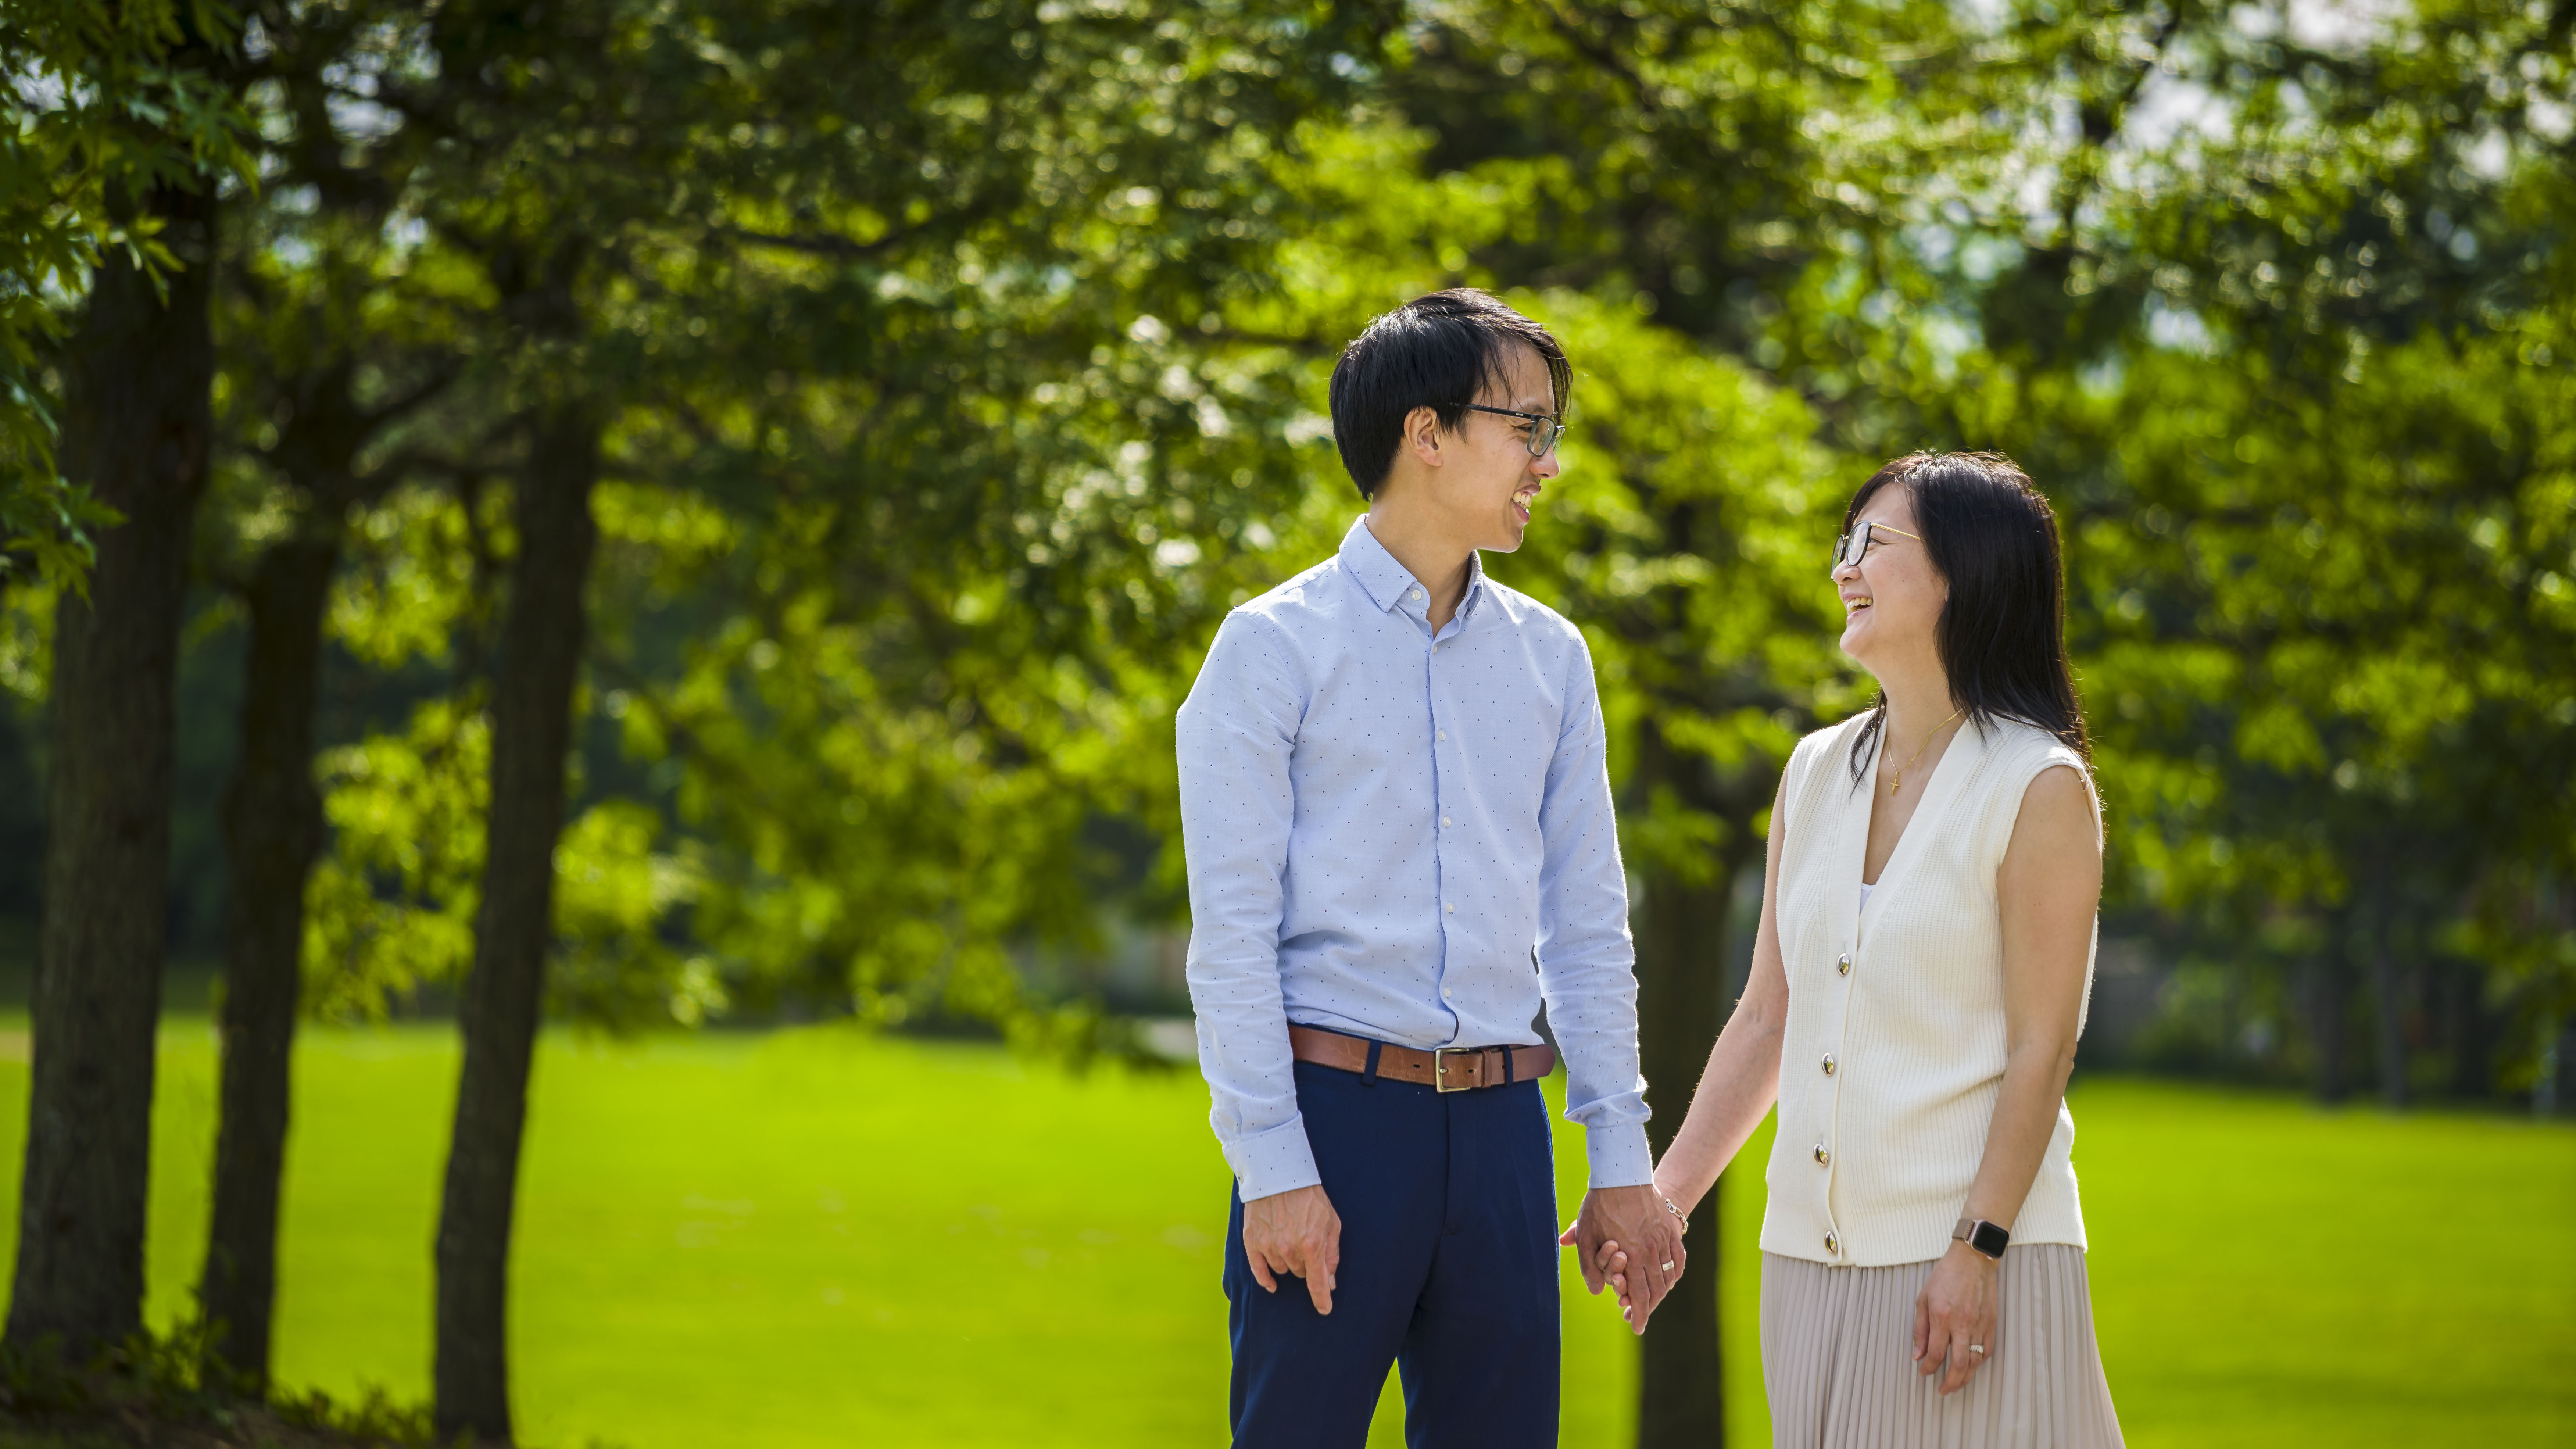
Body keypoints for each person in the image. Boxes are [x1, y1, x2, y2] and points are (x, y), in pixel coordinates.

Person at [1176, 288, 1684, 1449]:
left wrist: (1619, 1160)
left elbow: (1589, 931)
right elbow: (1233, 942)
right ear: (1426, 433)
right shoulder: (1271, 649)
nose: (1548, 463)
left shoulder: (1554, 662)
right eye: (1529, 427)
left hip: (1506, 1136)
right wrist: (1274, 1169)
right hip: (1334, 1130)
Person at [1600, 452, 2125, 1446]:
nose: (1843, 568)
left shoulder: (2039, 786)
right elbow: (1767, 1016)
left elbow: (2040, 1051)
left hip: (1967, 1267)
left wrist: (1980, 1249)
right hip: (1805, 1269)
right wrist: (1666, 1202)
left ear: (1965, 574)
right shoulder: (1812, 770)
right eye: (1844, 543)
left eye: (1871, 545)